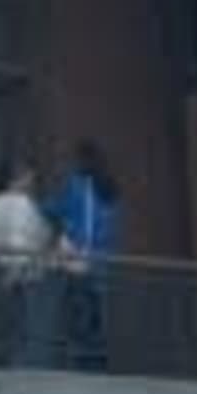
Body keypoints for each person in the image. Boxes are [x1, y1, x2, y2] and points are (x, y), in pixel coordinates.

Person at [52, 138, 121, 370]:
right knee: (97, 313)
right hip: (103, 259)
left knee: (77, 310)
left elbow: (57, 208)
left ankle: (82, 361)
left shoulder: (78, 185)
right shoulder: (109, 187)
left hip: (81, 258)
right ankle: (99, 361)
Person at [0, 157, 55, 363]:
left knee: (4, 323)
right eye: (28, 177)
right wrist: (16, 271)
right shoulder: (23, 204)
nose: (32, 182)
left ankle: (3, 360)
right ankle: (21, 364)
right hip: (22, 274)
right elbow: (20, 241)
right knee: (24, 325)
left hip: (0, 269)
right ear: (17, 179)